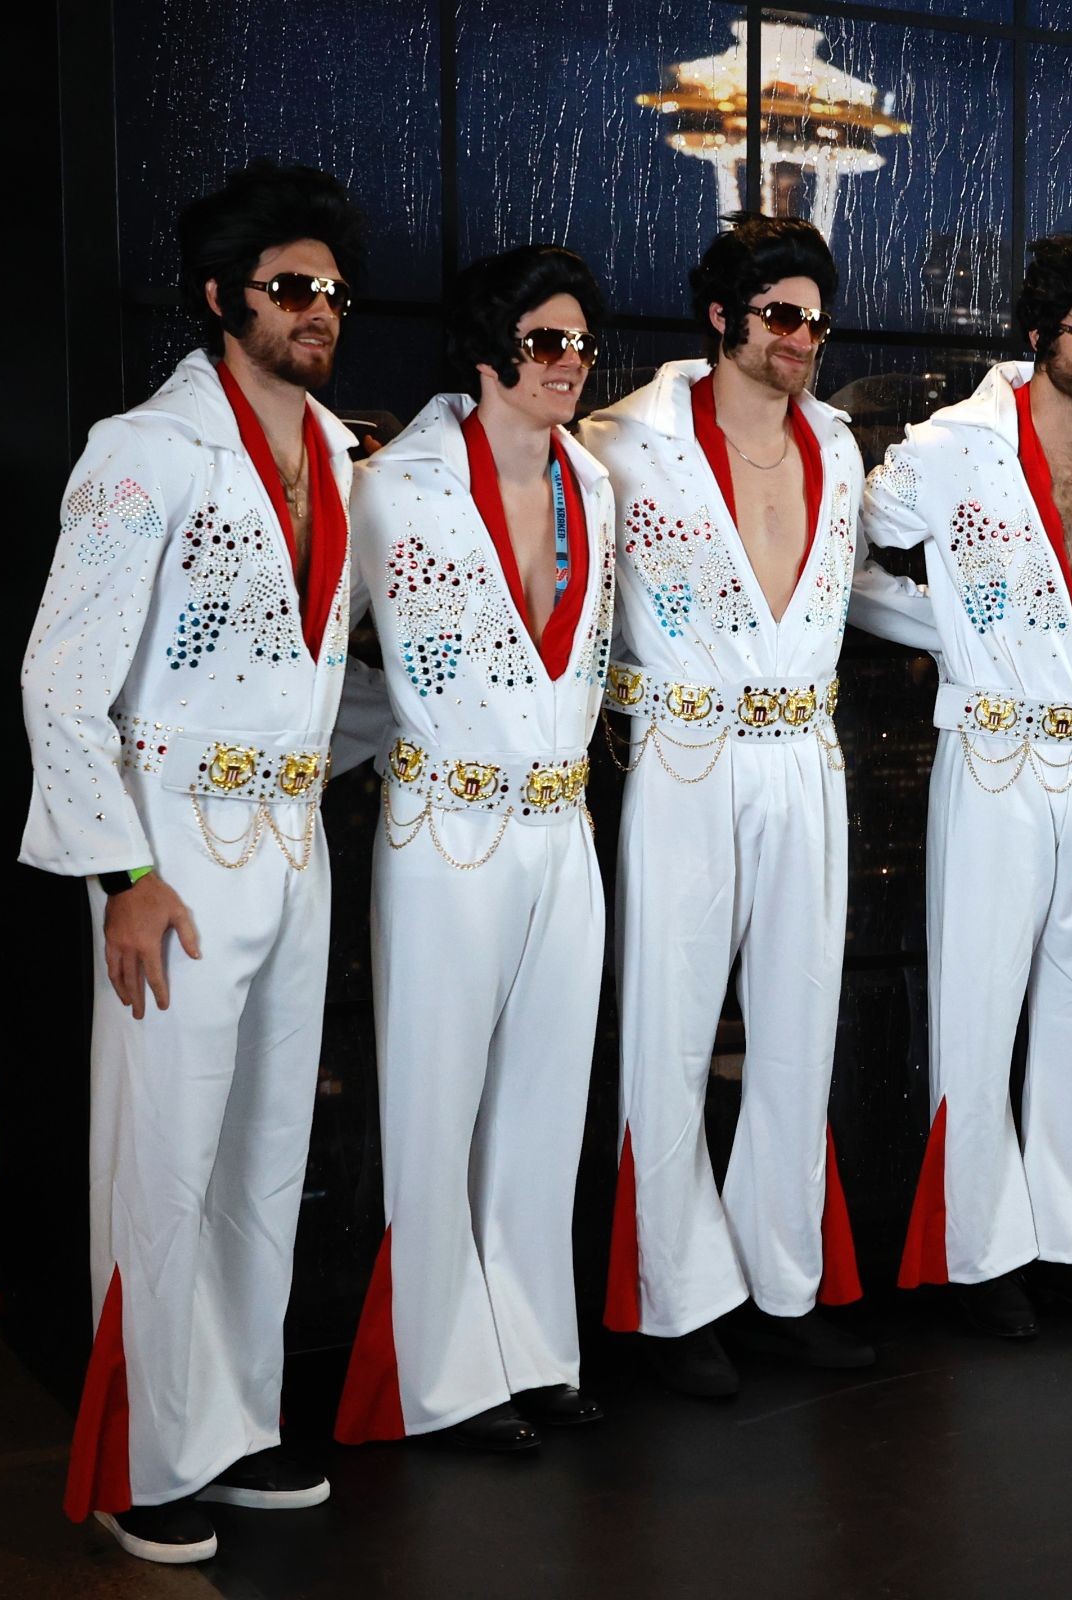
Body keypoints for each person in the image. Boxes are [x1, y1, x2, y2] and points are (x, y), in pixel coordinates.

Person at [21, 161, 379, 1563]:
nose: (319, 309)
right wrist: (121, 876)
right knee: (162, 1157)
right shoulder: (142, 449)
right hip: (169, 850)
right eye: (291, 288)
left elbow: (320, 670)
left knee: (266, 1153)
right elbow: (62, 681)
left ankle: (227, 1426)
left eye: (332, 289)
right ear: (225, 297)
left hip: (293, 845)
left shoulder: (338, 457)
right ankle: (139, 1455)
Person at [581, 213, 918, 1396]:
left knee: (796, 1028)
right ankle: (673, 1302)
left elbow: (862, 586)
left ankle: (785, 1284)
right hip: (683, 755)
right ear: (720, 316)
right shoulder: (620, 445)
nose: (801, 338)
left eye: (815, 320)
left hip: (806, 756)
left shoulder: (836, 442)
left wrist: (995, 654)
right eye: (779, 314)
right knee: (671, 1030)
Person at [333, 246, 616, 1452]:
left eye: (581, 344)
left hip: (565, 826)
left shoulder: (592, 482)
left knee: (547, 1101)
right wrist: (373, 742)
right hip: (442, 826)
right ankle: (439, 1375)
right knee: (435, 1101)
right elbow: (313, 649)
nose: (568, 363)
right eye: (546, 341)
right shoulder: (390, 487)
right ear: (490, 348)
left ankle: (535, 1350)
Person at [858, 229, 1072, 1339]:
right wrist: (949, 632)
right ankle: (979, 1253)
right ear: (1039, 334)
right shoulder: (953, 445)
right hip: (990, 757)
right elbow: (843, 554)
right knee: (979, 1008)